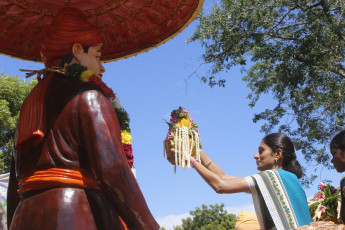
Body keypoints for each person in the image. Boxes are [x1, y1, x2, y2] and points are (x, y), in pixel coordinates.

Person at [7, 7, 159, 230]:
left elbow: (14, 187)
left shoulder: (30, 105)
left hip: (24, 217)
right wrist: (149, 227)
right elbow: (113, 171)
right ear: (77, 51)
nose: (101, 67)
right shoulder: (89, 97)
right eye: (97, 56)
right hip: (74, 215)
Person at [168, 132, 312, 230]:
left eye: (261, 151)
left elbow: (220, 186)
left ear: (277, 154)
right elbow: (224, 178)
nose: (256, 156)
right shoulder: (286, 178)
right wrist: (197, 150)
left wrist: (190, 160)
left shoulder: (273, 177)